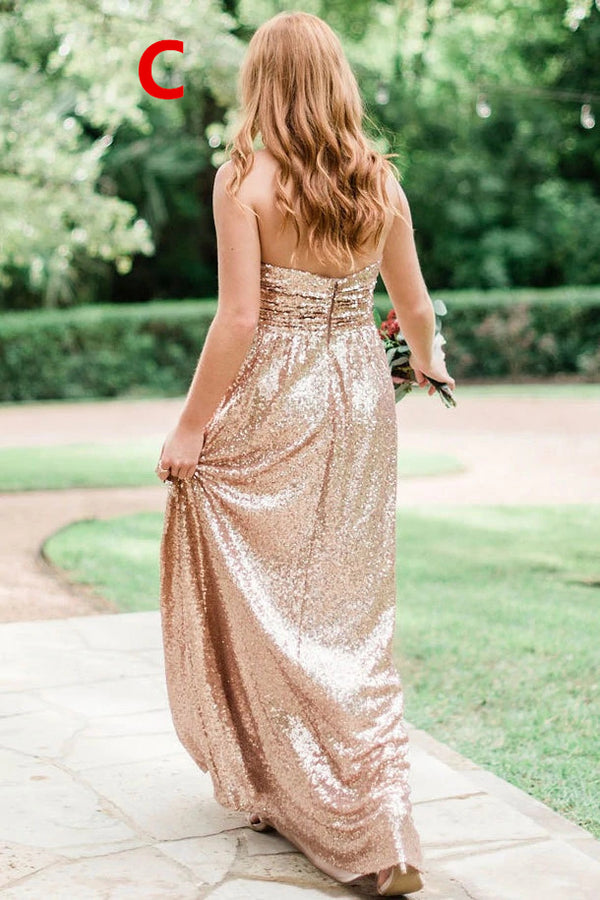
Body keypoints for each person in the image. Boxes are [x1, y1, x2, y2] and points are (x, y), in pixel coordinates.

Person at [156, 10, 455, 896]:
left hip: (278, 395)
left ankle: (310, 790)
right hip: (359, 393)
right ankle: (375, 821)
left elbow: (239, 319)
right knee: (349, 607)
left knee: (264, 591)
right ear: (335, 81)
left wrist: (189, 428)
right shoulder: (378, 179)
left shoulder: (243, 178)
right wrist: (425, 364)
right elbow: (416, 307)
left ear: (261, 82)